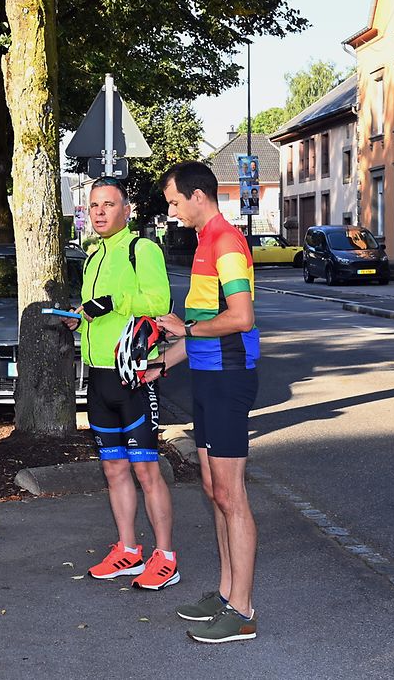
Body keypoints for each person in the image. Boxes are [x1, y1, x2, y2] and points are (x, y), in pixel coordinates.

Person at [150, 160, 260, 644]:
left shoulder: (227, 243)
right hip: (208, 378)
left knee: (232, 495)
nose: (172, 212)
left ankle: (243, 610)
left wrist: (184, 329)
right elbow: (199, 331)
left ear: (199, 196)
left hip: (230, 380)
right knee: (215, 490)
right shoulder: (203, 242)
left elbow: (240, 318)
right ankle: (225, 594)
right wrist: (162, 364)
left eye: (175, 202)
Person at [64, 177, 176, 589]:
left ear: (126, 211)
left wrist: (114, 302)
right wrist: (78, 320)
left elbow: (160, 304)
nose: (99, 212)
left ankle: (166, 557)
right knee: (113, 468)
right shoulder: (92, 256)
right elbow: (96, 317)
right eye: (93, 205)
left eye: (108, 204)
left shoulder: (141, 249)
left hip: (133, 375)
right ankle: (129, 550)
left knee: (146, 470)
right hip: (98, 377)